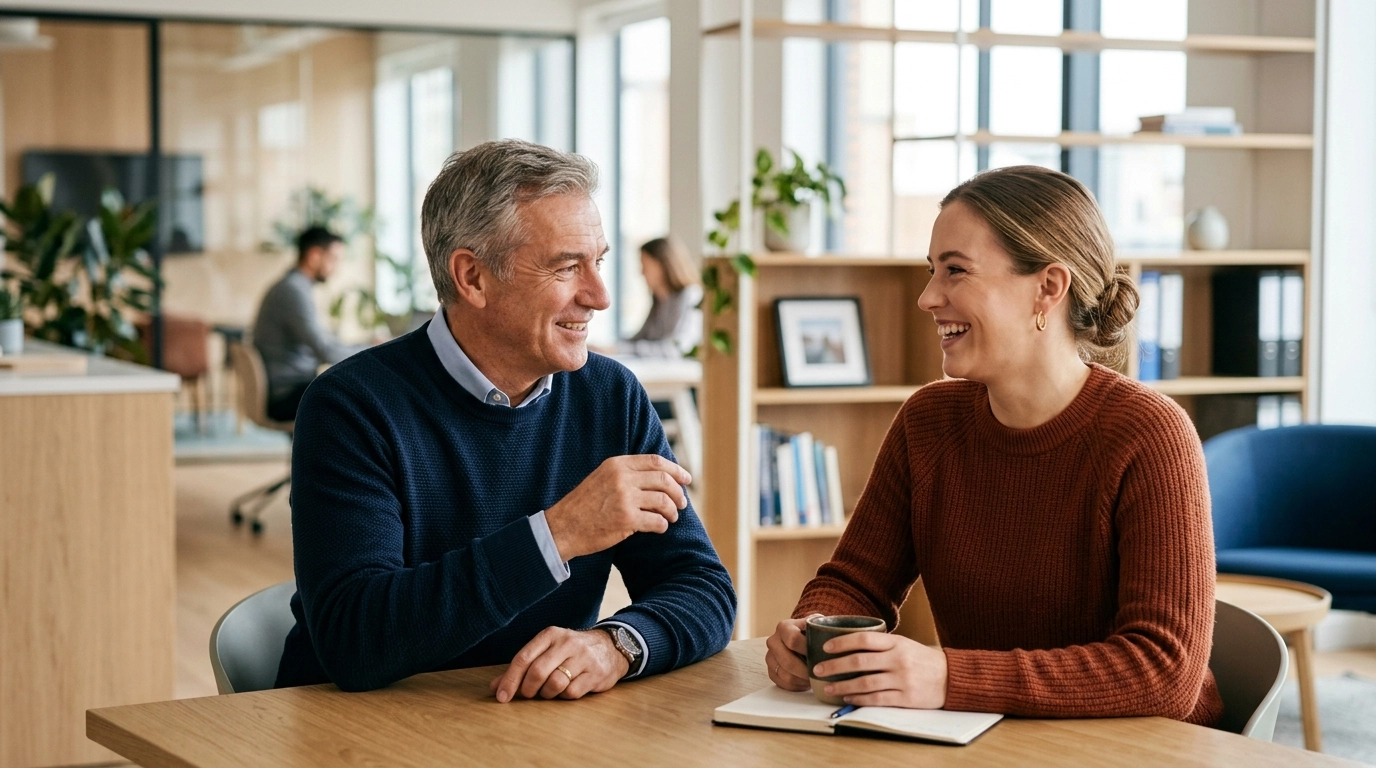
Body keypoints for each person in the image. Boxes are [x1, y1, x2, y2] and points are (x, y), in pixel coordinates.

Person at [274, 139, 736, 699]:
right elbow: (355, 640)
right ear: (472, 278)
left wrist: (619, 643)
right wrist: (559, 533)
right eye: (567, 267)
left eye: (600, 262)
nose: (600, 295)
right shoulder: (350, 407)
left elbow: (703, 587)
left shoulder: (610, 396)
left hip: (527, 730)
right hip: (354, 736)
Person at [764, 165, 1223, 726]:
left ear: (1047, 288)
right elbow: (854, 582)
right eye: (931, 271)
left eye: (955, 271)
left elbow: (1164, 673)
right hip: (988, 739)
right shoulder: (927, 422)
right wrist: (813, 630)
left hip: (1141, 751)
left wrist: (949, 678)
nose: (928, 298)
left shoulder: (1151, 436)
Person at [251, 226, 363, 421]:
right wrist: (376, 352)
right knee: (358, 394)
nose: (336, 268)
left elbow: (324, 342)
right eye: (334, 259)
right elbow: (325, 350)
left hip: (290, 385)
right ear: (314, 256)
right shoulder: (292, 291)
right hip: (286, 392)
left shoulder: (293, 287)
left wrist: (367, 345)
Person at [615, 237, 702, 358]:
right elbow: (640, 338)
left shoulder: (691, 296)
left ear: (661, 265)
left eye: (644, 265)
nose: (641, 272)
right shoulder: (659, 300)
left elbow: (677, 348)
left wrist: (620, 349)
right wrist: (608, 348)